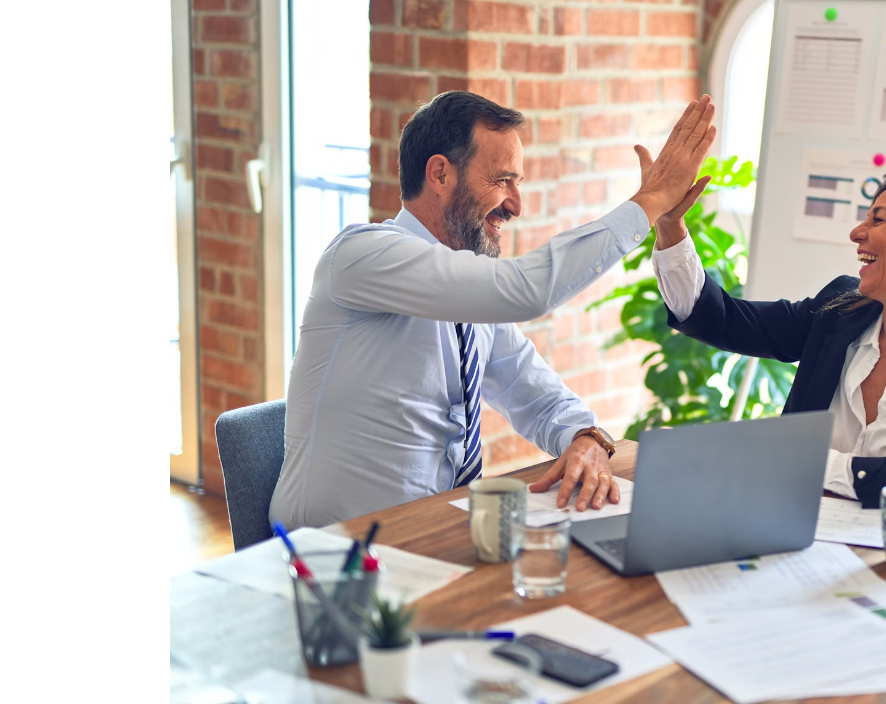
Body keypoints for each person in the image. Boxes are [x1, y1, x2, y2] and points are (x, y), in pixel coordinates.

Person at [269, 91, 717, 528]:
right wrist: (651, 201)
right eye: (503, 180)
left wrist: (586, 437)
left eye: (517, 183)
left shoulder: (469, 298)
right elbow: (526, 290)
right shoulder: (362, 255)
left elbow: (537, 394)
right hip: (333, 555)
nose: (516, 205)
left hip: (435, 536)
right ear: (440, 175)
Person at [651, 163, 886, 517]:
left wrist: (806, 462)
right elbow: (722, 319)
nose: (857, 233)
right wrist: (670, 225)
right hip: (795, 536)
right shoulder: (838, 312)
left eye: (878, 219)